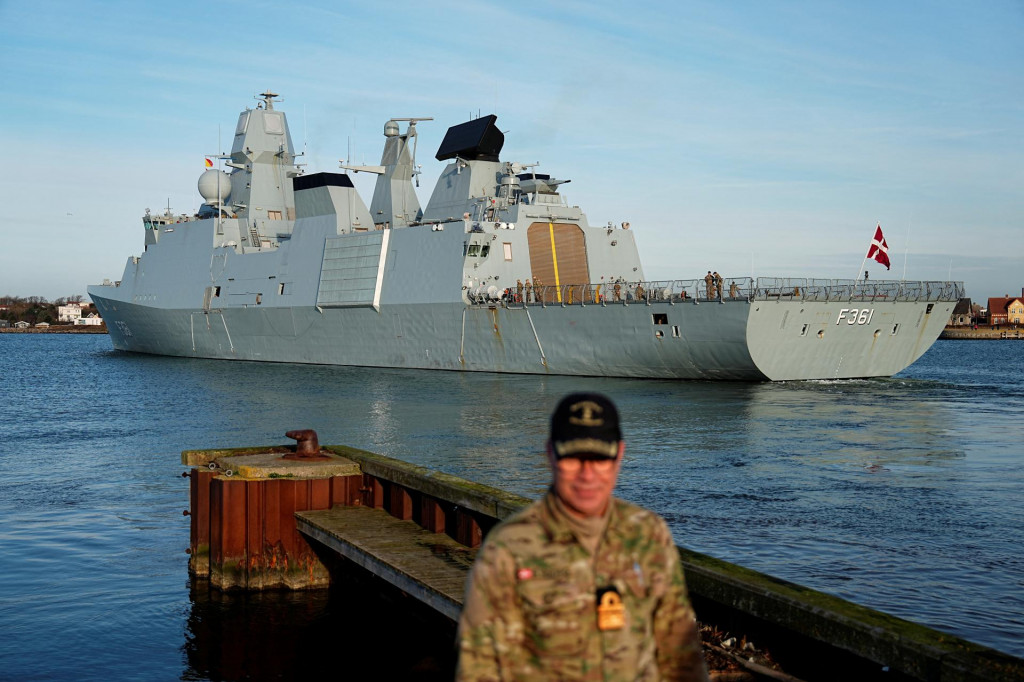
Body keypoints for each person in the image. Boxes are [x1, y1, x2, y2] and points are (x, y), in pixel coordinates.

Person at [456, 393, 709, 682]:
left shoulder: (648, 534)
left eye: (599, 458)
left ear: (619, 455)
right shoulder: (509, 546)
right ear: (550, 454)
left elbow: (680, 651)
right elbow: (479, 665)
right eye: (573, 458)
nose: (587, 475)